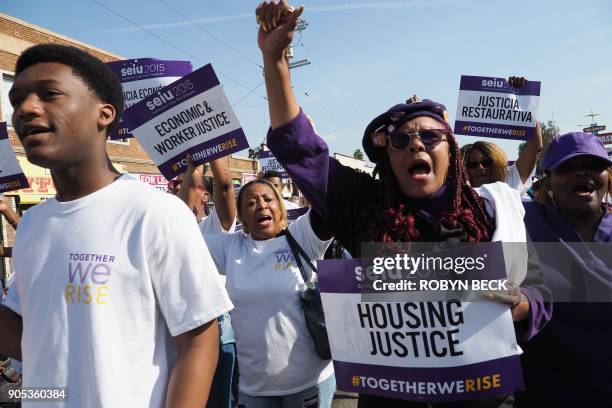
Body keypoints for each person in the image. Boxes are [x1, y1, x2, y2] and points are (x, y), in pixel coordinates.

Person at [255, 2, 549, 406]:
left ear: (452, 151)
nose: (414, 143)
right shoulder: (363, 206)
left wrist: (520, 305)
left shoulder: (495, 212)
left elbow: (540, 293)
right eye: (400, 139)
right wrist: (275, 62)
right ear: (389, 159)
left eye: (430, 137)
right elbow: (300, 148)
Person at [0, 44, 232, 408]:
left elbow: (200, 340)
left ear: (104, 114)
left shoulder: (155, 212)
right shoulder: (32, 224)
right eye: (16, 100)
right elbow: (32, 337)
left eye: (49, 94)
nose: (26, 109)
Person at [192, 164, 335, 407]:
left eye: (268, 199)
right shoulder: (231, 247)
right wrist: (190, 175)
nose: (261, 205)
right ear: (243, 217)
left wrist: (301, 156)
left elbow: (327, 204)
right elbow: (180, 237)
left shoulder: (302, 236)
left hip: (309, 383)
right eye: (250, 203)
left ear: (280, 206)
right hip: (254, 389)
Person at [518, 132, 612, 407]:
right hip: (544, 395)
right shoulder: (524, 222)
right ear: (548, 182)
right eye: (567, 167)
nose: (582, 172)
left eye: (593, 166)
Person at [461, 103, 542, 194]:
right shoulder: (458, 197)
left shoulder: (508, 183)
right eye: (472, 165)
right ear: (464, 169)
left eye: (486, 163)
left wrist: (524, 100)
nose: (480, 167)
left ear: (496, 163)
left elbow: (535, 145)